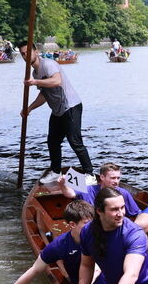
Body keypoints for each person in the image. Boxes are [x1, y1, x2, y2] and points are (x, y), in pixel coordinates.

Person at [18, 40, 93, 182]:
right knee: (52, 141)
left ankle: (90, 175)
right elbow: (44, 95)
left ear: (36, 52)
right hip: (58, 111)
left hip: (71, 106)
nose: (26, 56)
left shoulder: (48, 64)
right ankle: (56, 171)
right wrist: (29, 109)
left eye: (28, 52)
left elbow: (56, 81)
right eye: (22, 54)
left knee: (75, 141)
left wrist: (35, 82)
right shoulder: (35, 73)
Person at [0, 199, 104, 284]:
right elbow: (35, 269)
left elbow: (96, 269)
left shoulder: (99, 237)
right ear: (72, 224)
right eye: (86, 223)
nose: (91, 227)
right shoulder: (60, 245)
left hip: (108, 282)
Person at [60, 162, 141, 217]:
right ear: (102, 177)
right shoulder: (89, 190)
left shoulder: (124, 193)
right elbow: (70, 194)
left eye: (118, 178)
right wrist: (63, 184)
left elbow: (136, 213)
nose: (116, 181)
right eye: (113, 178)